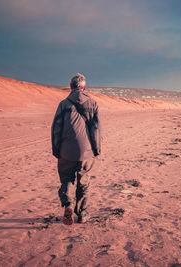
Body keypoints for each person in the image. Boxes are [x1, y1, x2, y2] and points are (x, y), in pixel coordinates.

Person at [51, 73, 101, 225]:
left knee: (67, 179)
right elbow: (96, 129)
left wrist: (56, 149)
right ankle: (83, 213)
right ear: (84, 88)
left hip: (66, 151)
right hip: (87, 152)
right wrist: (96, 149)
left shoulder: (63, 104)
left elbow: (56, 129)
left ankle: (68, 206)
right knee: (84, 181)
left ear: (71, 87)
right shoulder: (93, 104)